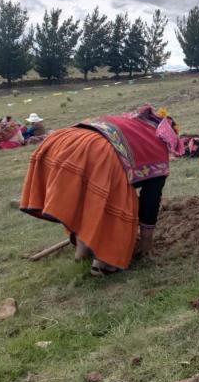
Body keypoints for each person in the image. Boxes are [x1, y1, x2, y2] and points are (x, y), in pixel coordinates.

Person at [20, 105, 184, 275]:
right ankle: (104, 263)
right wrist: (146, 240)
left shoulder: (133, 122)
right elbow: (149, 200)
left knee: (86, 197)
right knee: (120, 202)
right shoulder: (157, 146)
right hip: (97, 149)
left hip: (63, 140)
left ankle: (82, 252)